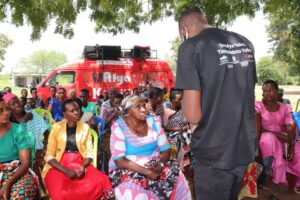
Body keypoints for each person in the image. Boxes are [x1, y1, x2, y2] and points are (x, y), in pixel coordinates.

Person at [175, 9, 257, 200]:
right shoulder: (245, 42)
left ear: (184, 29)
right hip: (243, 147)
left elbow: (193, 115)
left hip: (213, 151)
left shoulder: (190, 46)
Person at [109, 95, 192, 199]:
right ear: (128, 112)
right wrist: (147, 172)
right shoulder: (119, 126)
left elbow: (165, 149)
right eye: (138, 107)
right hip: (128, 167)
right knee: (135, 191)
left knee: (178, 178)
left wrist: (160, 166)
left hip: (155, 163)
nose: (144, 110)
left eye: (144, 105)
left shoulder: (154, 121)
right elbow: (120, 161)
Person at [42, 99, 114, 200]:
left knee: (99, 180)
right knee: (60, 189)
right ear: (65, 114)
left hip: (80, 162)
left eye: (77, 110)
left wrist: (83, 167)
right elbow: (49, 154)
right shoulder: (56, 128)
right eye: (72, 111)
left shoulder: (85, 128)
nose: (76, 113)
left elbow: (89, 151)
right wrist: (65, 171)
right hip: (59, 164)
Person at [256, 80, 300, 194]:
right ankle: (267, 174)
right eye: (265, 91)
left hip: (281, 138)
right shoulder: (258, 106)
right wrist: (278, 135)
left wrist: (290, 141)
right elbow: (257, 128)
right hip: (263, 137)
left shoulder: (285, 107)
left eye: (270, 90)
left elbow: (289, 126)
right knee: (269, 139)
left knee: (297, 150)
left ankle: (296, 181)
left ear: (277, 91)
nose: (267, 93)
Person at [0, 98, 37, 199]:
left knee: (20, 194)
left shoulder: (18, 132)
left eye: (7, 109)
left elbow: (25, 162)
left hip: (16, 172)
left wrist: (8, 184)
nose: (6, 112)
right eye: (1, 110)